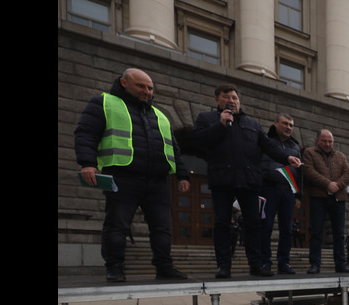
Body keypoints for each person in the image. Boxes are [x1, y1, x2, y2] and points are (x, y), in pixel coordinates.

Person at [74, 68, 190, 283]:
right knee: (117, 224)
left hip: (157, 181)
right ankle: (115, 268)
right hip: (122, 176)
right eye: (141, 86)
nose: (146, 91)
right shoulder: (103, 102)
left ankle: (164, 266)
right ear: (124, 83)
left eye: (150, 88)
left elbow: (173, 148)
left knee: (163, 227)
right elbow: (86, 132)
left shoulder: (160, 114)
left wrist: (183, 175)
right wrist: (88, 163)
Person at [192, 84, 301, 278]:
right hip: (222, 180)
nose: (231, 101)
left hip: (249, 181)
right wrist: (221, 125)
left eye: (234, 97)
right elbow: (198, 141)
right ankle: (224, 266)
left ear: (239, 101)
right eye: (226, 97)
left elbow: (268, 145)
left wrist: (286, 159)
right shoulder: (206, 119)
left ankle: (256, 265)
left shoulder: (253, 124)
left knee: (253, 225)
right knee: (222, 224)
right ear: (217, 99)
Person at [302, 129, 349, 274]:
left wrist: (337, 185)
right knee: (316, 232)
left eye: (330, 141)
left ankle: (340, 264)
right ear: (318, 140)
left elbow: (348, 173)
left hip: (338, 198)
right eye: (324, 141)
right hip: (318, 198)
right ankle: (315, 264)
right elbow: (309, 171)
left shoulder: (341, 156)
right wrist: (327, 184)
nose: (327, 144)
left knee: (339, 233)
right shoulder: (309, 152)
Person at [259, 113, 302, 275]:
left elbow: (300, 173)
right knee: (266, 226)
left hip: (288, 191)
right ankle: (265, 263)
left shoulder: (295, 147)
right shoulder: (265, 141)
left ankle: (284, 263)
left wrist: (298, 194)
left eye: (291, 125)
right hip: (267, 189)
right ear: (275, 123)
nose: (288, 127)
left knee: (287, 229)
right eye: (285, 123)